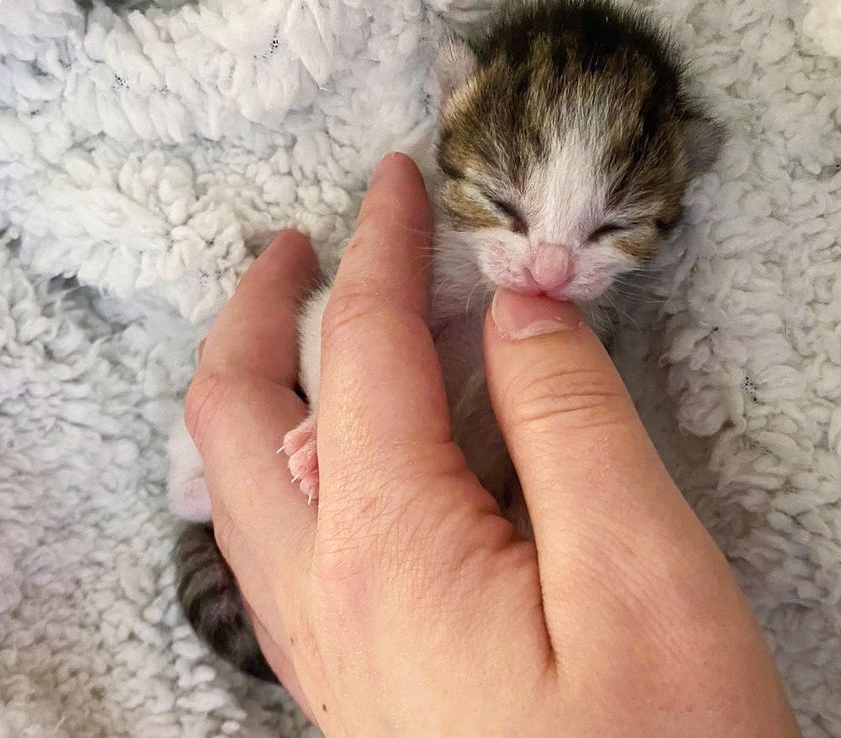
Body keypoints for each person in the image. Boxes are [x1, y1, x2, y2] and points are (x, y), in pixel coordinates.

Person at [184, 152, 802, 736]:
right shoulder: (450, 256)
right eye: (509, 204)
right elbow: (338, 330)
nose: (550, 268)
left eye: (617, 225)